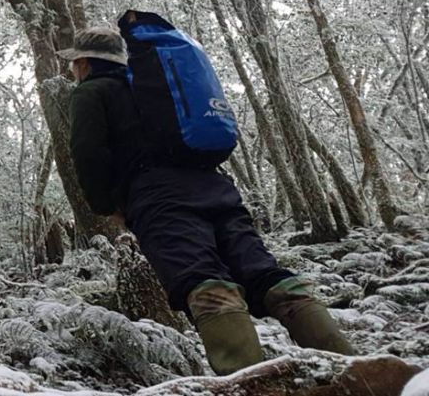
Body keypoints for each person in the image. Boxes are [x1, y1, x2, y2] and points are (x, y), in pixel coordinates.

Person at [59, 26, 356, 376]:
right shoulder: (157, 86)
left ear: (84, 63)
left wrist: (105, 206)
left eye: (74, 63)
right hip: (217, 189)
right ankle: (354, 369)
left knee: (204, 283)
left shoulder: (92, 91)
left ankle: (250, 384)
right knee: (266, 275)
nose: (73, 70)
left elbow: (87, 152)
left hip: (160, 199)